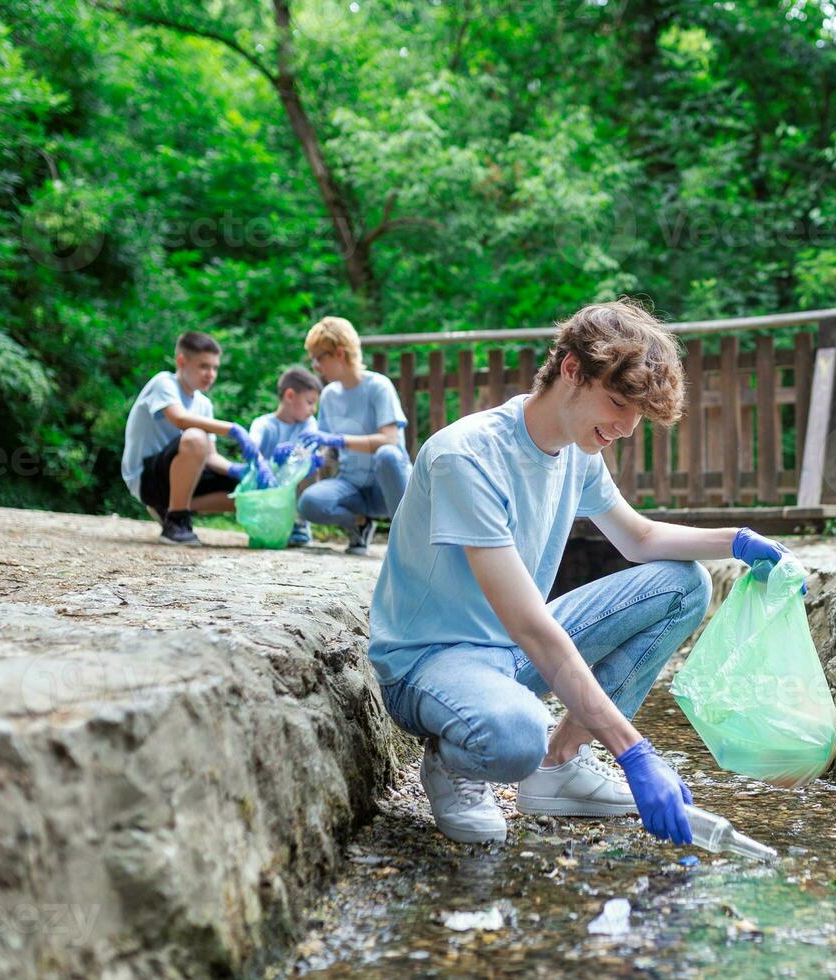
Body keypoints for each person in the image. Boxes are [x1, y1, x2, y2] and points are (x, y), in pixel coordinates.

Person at [368, 300, 801, 845]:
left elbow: (639, 538)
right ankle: (458, 765)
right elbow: (530, 624)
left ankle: (560, 763)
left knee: (684, 584)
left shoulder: (578, 452)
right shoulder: (467, 456)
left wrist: (737, 542)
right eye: (618, 403)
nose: (625, 428)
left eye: (637, 416)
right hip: (431, 663)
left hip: (508, 653)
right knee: (514, 732)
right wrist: (634, 751)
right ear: (571, 369)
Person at [121, 331, 267, 546]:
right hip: (147, 478)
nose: (211, 374)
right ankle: (177, 521)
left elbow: (210, 457)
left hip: (180, 477)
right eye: (204, 366)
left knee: (246, 489)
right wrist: (234, 429)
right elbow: (180, 419)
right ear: (182, 361)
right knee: (195, 436)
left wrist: (242, 471)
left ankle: (169, 508)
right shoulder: (164, 383)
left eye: (215, 368)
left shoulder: (204, 404)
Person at [296, 316, 412, 556]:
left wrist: (339, 439)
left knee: (388, 455)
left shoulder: (378, 386)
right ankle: (359, 524)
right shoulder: (328, 395)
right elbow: (331, 452)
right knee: (310, 503)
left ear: (339, 353)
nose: (315, 366)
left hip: (387, 487)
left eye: (319, 358)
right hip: (352, 485)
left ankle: (408, 539)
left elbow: (390, 440)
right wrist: (313, 456)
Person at [250, 366, 323, 547]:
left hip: (292, 485)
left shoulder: (308, 423)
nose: (313, 409)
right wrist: (266, 463)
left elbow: (308, 451)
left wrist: (299, 455)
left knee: (309, 465)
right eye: (310, 402)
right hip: (266, 488)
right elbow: (251, 447)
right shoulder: (263, 424)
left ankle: (299, 522)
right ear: (290, 396)